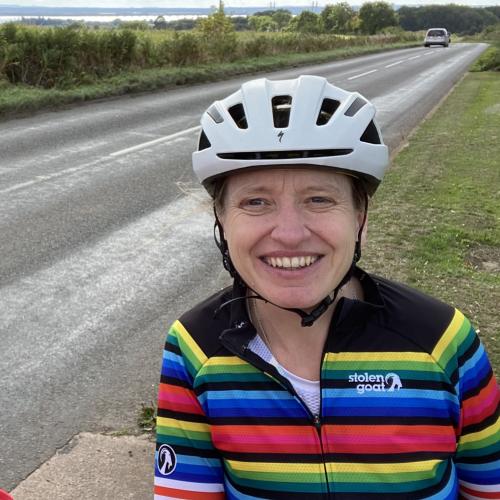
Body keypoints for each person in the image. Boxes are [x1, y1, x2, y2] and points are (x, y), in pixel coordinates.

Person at [154, 75, 499, 499]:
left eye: (319, 199)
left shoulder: (442, 338)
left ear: (360, 218)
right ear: (222, 222)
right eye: (255, 202)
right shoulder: (195, 346)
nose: (290, 234)